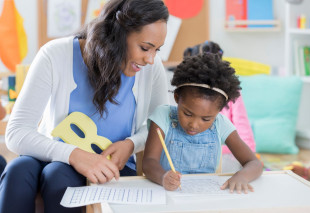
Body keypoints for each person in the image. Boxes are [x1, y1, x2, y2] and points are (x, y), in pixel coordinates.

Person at [0, 0, 169, 212]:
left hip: (110, 167)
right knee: (18, 169)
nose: (151, 59)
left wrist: (131, 144)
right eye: (145, 48)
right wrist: (74, 155)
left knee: (57, 176)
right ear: (117, 34)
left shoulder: (152, 70)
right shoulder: (55, 55)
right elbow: (16, 133)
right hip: (55, 154)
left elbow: (160, 127)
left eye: (157, 50)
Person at [142, 53, 263, 193]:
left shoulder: (221, 124)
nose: (194, 124)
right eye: (187, 114)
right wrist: (163, 177)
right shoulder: (163, 116)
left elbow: (254, 163)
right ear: (176, 97)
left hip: (207, 196)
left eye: (206, 119)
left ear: (219, 111)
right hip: (167, 194)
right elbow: (149, 162)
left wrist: (242, 176)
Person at [183, 41, 256, 155]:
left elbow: (248, 144)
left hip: (224, 158)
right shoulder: (184, 95)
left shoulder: (231, 94)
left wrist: (210, 149)